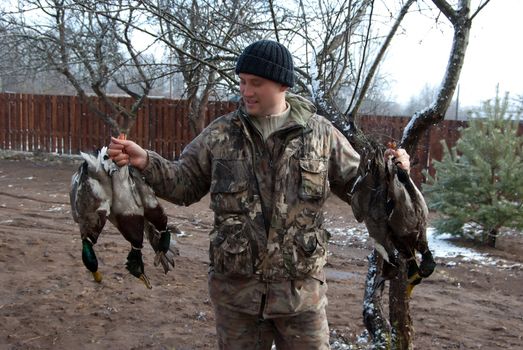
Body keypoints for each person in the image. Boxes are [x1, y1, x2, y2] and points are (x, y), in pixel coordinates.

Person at [108, 40, 410, 350]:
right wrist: (145, 160)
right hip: (237, 297)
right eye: (242, 82)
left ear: (281, 84)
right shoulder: (221, 134)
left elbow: (363, 192)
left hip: (300, 296)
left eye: (256, 83)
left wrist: (392, 173)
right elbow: (183, 184)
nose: (245, 90)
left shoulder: (321, 135)